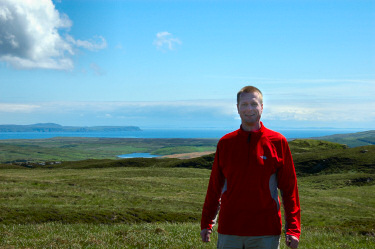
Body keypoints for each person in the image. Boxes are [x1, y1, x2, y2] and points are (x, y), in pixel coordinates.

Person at [200, 86, 300, 249]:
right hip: (230, 230)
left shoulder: (278, 141)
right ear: (237, 108)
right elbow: (214, 187)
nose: (249, 109)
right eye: (244, 104)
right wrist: (207, 223)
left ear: (262, 107)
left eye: (254, 104)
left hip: (266, 231)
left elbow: (290, 190)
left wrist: (293, 229)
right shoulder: (226, 143)